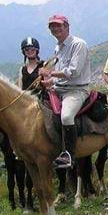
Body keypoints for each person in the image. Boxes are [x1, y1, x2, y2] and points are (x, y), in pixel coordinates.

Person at [38, 14, 92, 169]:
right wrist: (50, 82)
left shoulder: (78, 44)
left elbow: (74, 72)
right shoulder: (58, 47)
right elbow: (61, 73)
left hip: (76, 90)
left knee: (67, 116)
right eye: (52, 26)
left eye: (58, 26)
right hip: (59, 88)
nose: (55, 29)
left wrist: (50, 73)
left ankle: (69, 155)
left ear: (67, 26)